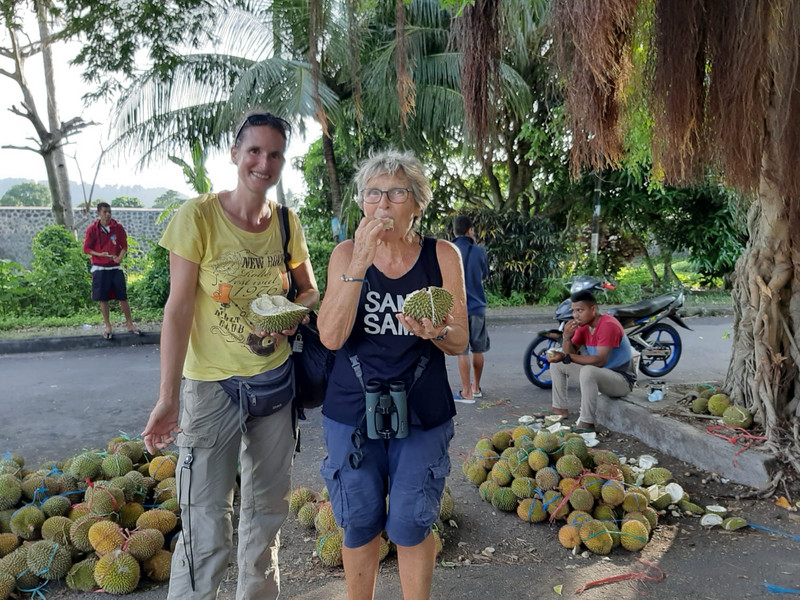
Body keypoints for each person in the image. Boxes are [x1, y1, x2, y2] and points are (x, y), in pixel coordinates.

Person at [141, 111, 319, 600]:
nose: (264, 162)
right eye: (255, 151)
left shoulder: (286, 222)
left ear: (283, 161)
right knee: (204, 525)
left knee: (265, 516)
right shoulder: (196, 217)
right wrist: (167, 397)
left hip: (275, 386)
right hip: (211, 389)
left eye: (275, 153)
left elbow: (309, 290)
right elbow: (177, 309)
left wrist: (289, 313)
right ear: (236, 154)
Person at [317, 149, 468, 600]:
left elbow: (459, 340)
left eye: (397, 192)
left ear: (417, 204)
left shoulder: (442, 255)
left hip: (422, 410)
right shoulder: (345, 254)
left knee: (411, 522)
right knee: (359, 523)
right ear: (362, 204)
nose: (383, 203)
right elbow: (330, 336)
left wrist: (437, 331)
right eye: (373, 193)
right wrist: (359, 264)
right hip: (351, 411)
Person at [546, 290, 636, 431]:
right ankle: (559, 409)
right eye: (574, 311)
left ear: (593, 309)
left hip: (621, 380)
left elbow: (600, 361)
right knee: (558, 363)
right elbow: (570, 354)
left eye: (580, 310)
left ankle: (587, 423)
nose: (576, 315)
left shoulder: (608, 325)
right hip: (600, 374)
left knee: (588, 370)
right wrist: (566, 337)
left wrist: (565, 356)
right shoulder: (584, 326)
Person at [83, 202, 140, 339]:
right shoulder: (92, 229)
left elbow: (124, 246)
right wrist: (99, 254)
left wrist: (120, 257)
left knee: (123, 296)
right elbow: (86, 249)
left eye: (109, 211)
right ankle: (108, 326)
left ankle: (129, 324)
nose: (107, 214)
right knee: (103, 298)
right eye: (104, 212)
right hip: (99, 268)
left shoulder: (117, 227)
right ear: (98, 213)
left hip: (115, 267)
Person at [451, 215, 490, 404]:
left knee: (462, 350)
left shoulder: (448, 251)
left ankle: (465, 391)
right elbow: (484, 274)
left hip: (457, 309)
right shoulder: (479, 251)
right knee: (478, 349)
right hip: (477, 307)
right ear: (470, 231)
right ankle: (476, 387)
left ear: (454, 231)